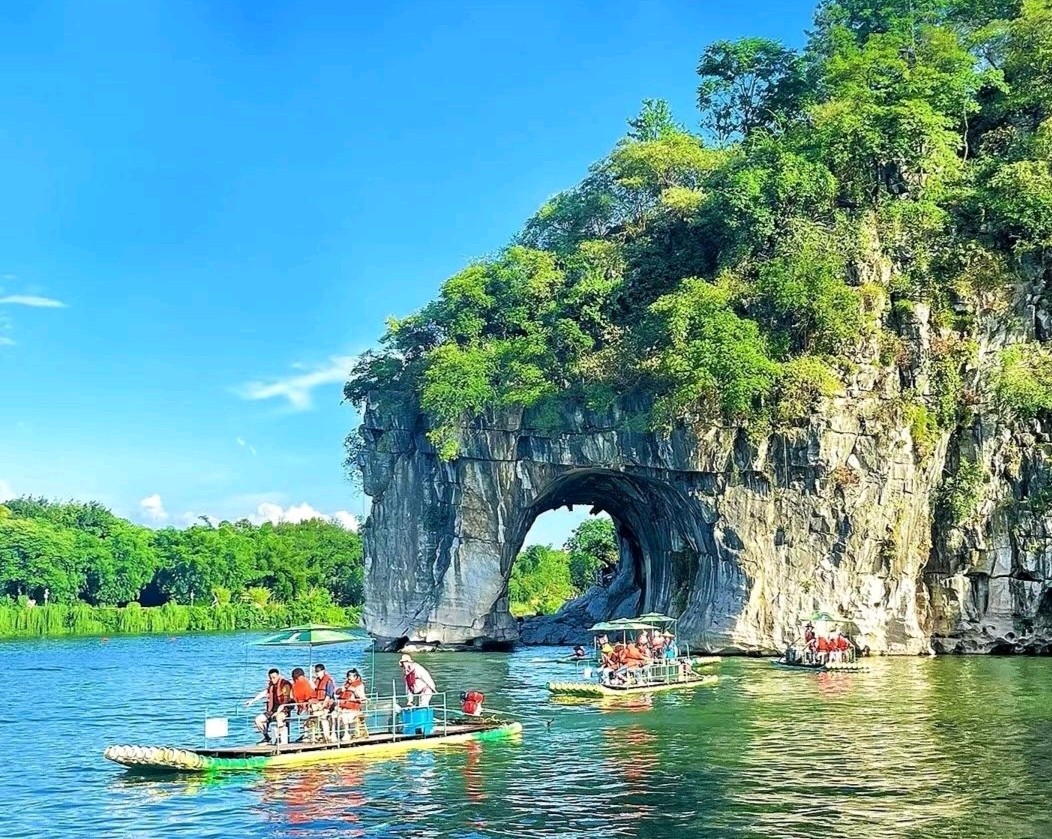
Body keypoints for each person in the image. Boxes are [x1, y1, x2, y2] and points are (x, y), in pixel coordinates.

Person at [247, 668, 293, 744]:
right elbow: (264, 692)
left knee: (279, 718)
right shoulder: (271, 685)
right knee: (258, 720)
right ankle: (267, 737)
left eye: (274, 677)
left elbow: (286, 699)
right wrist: (252, 701)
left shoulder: (285, 684)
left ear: (278, 675)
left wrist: (278, 711)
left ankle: (280, 738)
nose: (272, 680)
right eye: (271, 678)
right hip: (272, 710)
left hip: (284, 710)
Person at [334, 668, 368, 742]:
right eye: (348, 676)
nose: (349, 678)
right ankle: (334, 734)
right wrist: (341, 690)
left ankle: (347, 734)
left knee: (344, 717)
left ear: (355, 677)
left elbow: (363, 698)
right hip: (343, 707)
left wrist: (355, 691)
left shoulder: (359, 686)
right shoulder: (346, 685)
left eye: (350, 676)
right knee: (333, 715)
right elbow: (337, 692)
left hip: (353, 708)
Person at [309, 664, 337, 741]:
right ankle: (318, 735)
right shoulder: (317, 681)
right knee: (312, 715)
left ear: (323, 671)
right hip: (319, 703)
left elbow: (328, 695)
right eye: (316, 671)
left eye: (318, 671)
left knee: (323, 717)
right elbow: (315, 692)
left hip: (327, 704)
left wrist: (323, 706)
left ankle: (327, 736)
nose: (317, 673)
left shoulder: (329, 681)